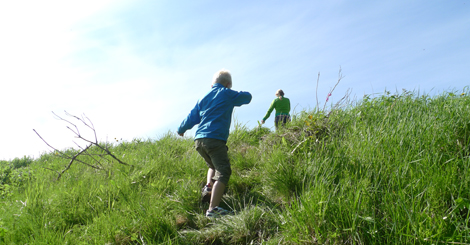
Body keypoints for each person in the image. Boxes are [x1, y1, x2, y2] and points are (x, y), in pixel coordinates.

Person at [177, 69, 252, 218]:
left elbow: (192, 117)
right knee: (224, 172)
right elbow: (247, 98)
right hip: (215, 138)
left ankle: (209, 186)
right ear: (228, 84)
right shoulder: (226, 93)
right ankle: (213, 209)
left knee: (213, 166)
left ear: (212, 84)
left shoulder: (203, 98)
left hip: (199, 141)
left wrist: (181, 129)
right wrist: (237, 92)